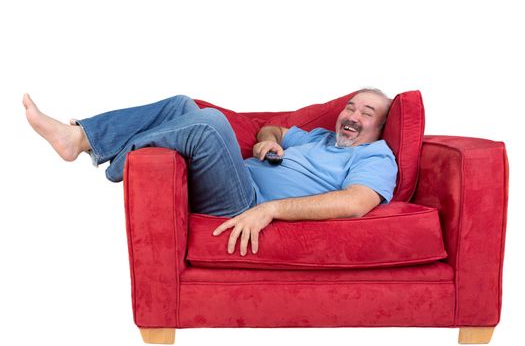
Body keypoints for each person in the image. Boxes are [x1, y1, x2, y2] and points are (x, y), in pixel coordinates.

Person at [23, 88, 397, 257]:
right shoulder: (318, 137)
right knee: (181, 104)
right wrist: (265, 142)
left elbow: (355, 202)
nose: (352, 116)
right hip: (238, 179)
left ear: (380, 127)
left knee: (208, 123)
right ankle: (82, 136)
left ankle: (101, 152)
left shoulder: (376, 157)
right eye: (351, 107)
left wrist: (270, 210)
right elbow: (274, 129)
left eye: (367, 113)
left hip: (247, 202)